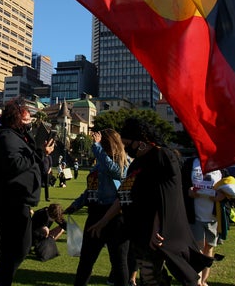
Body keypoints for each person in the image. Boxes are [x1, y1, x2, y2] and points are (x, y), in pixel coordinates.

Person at [90, 118, 212, 286]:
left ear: (140, 142)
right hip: (141, 231)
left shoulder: (163, 156)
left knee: (157, 274)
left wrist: (157, 227)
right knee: (149, 276)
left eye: (127, 144)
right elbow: (123, 195)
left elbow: (164, 197)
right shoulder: (136, 165)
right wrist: (103, 221)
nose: (125, 149)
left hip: (162, 231)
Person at [0, 97, 55, 286]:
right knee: (19, 248)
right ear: (15, 119)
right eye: (25, 120)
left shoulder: (15, 136)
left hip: (16, 198)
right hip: (11, 200)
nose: (29, 123)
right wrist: (38, 154)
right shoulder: (7, 137)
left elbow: (30, 154)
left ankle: (4, 282)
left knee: (15, 248)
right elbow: (15, 164)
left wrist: (40, 152)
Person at [65, 129, 130, 286]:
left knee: (119, 262)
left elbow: (116, 172)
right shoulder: (100, 163)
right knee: (86, 260)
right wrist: (75, 205)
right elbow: (91, 190)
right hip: (95, 214)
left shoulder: (123, 162)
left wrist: (97, 147)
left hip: (115, 216)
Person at [183, 156, 224, 286]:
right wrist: (188, 191)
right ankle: (198, 280)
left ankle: (204, 280)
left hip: (213, 216)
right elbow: (182, 184)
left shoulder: (221, 163)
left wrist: (222, 196)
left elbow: (229, 186)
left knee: (209, 247)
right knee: (198, 247)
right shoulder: (190, 163)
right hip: (195, 214)